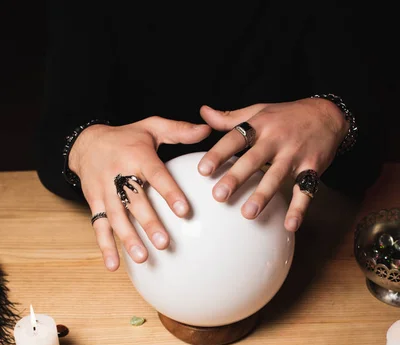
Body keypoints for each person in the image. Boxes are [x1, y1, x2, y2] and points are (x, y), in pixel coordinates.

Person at [36, 2, 384, 272]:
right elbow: (56, 129)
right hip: (146, 225)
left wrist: (332, 116)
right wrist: (84, 144)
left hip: (282, 223)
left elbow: (366, 156)